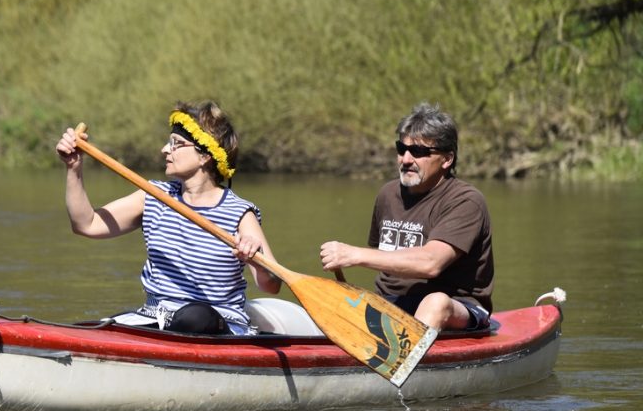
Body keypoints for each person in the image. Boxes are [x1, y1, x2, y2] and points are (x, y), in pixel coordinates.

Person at [55, 100, 282, 335]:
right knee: (102, 328)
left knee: (195, 316)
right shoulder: (153, 196)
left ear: (205, 156)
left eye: (176, 143)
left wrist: (256, 260)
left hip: (217, 323)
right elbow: (86, 224)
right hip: (155, 318)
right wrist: (73, 168)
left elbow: (272, 284)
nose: (165, 149)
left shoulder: (240, 213)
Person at [319, 102, 494, 332]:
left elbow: (431, 263)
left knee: (436, 302)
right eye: (401, 149)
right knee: (331, 302)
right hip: (390, 304)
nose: (406, 159)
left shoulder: (466, 201)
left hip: (457, 308)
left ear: (447, 159)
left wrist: (354, 254)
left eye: (419, 152)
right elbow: (382, 259)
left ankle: (404, 361)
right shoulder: (387, 194)